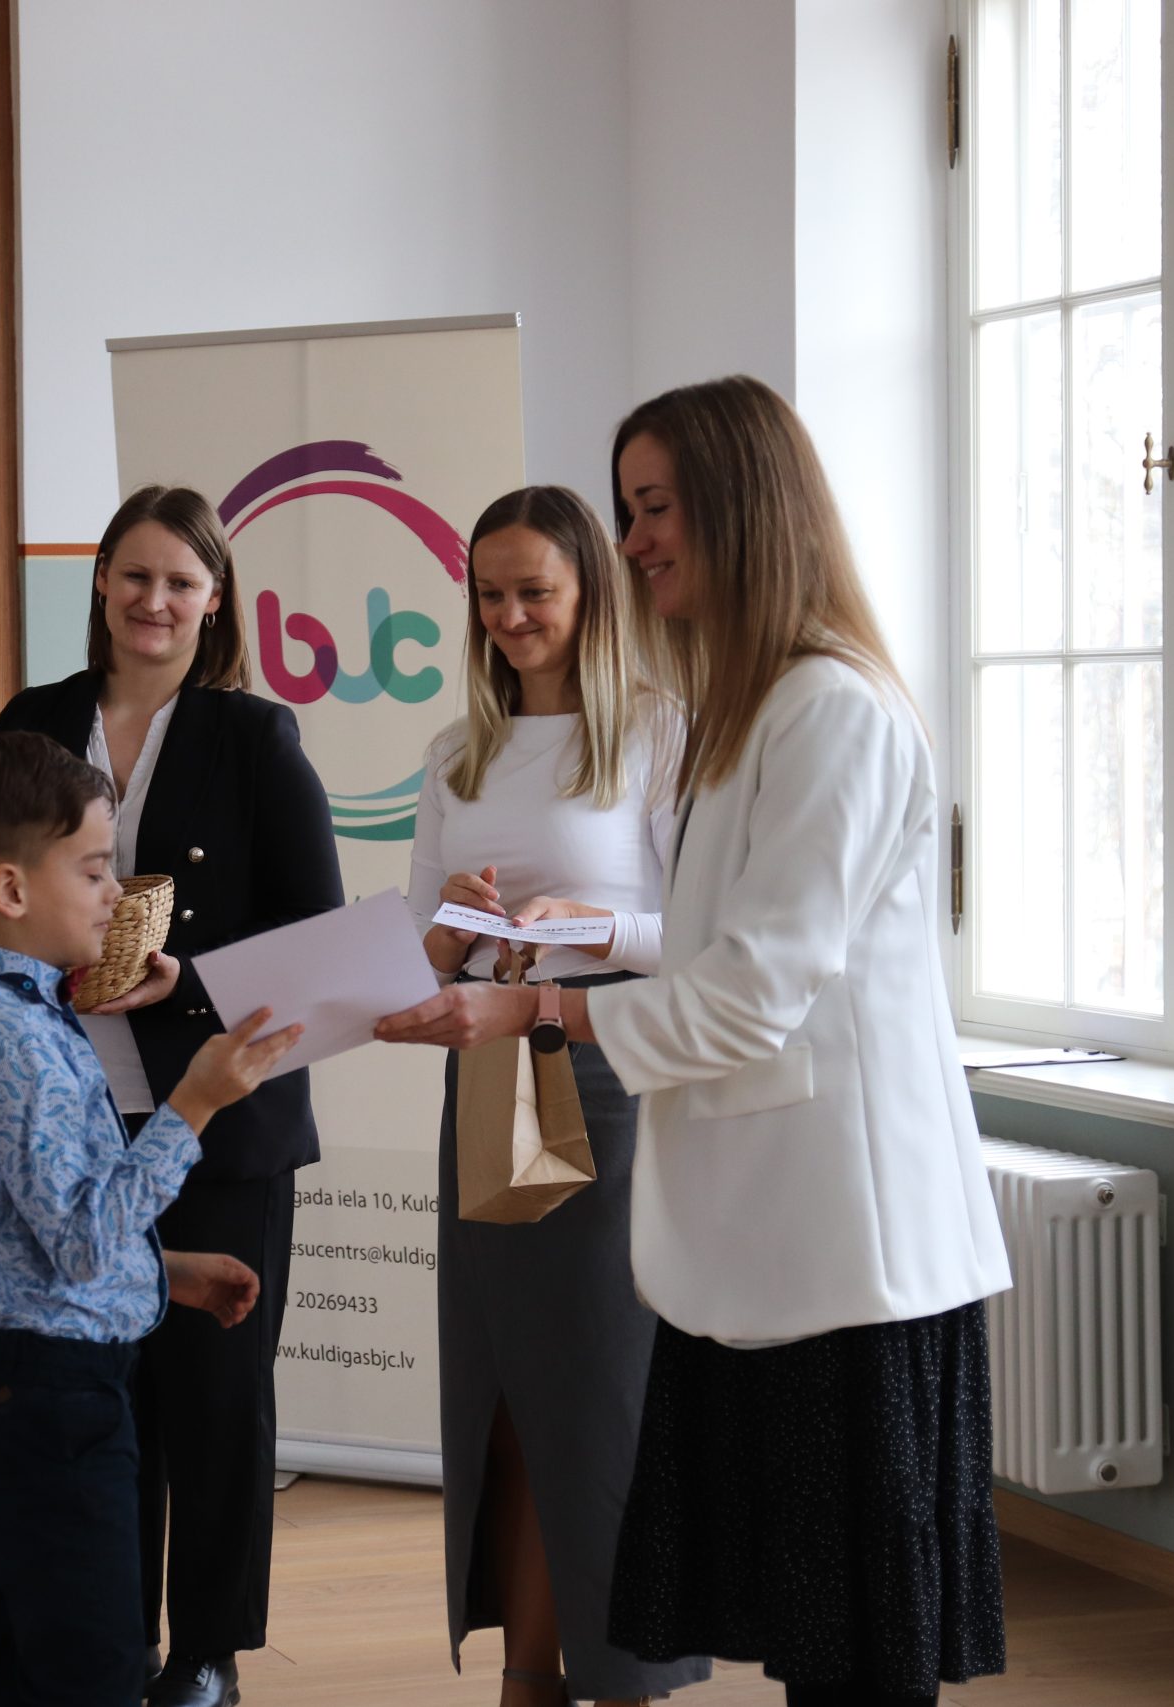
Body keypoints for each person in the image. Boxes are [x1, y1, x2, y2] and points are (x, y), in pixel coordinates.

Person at [377, 376, 1015, 1707]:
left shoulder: (826, 710)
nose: (636, 540)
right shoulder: (751, 708)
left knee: (856, 1650)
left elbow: (747, 992)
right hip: (770, 1242)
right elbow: (717, 956)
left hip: (848, 1248)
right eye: (629, 510)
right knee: (813, 1639)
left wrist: (539, 1002)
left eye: (654, 507)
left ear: (742, 504)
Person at [0, 485, 343, 1707]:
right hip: (66, 1104)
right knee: (93, 1395)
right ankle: (102, 1642)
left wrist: (185, 983)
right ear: (100, 583)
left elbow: (318, 935)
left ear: (214, 600)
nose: (153, 601)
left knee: (214, 1404)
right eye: (134, 575)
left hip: (221, 1115)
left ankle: (209, 1654)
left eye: (179, 581)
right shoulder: (35, 719)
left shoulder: (256, 738)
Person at [0, 729, 303, 1706]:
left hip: (11, 1386)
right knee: (92, 1676)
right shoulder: (21, 1044)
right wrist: (195, 1102)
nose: (116, 895)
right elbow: (81, 1242)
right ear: (9, 890)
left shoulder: (6, 1014)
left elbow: (32, 1224)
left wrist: (166, 1270)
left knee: (22, 1673)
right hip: (48, 1401)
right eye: (92, 870)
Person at [404, 487, 708, 1707]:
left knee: (604, 1394)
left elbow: (703, 938)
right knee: (501, 1390)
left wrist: (587, 923)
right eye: (489, 594)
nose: (510, 616)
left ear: (592, 591)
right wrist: (450, 930)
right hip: (486, 1070)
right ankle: (527, 1675)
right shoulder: (455, 752)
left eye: (535, 591)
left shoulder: (659, 733)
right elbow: (419, 948)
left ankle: (626, 1680)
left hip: (607, 1068)